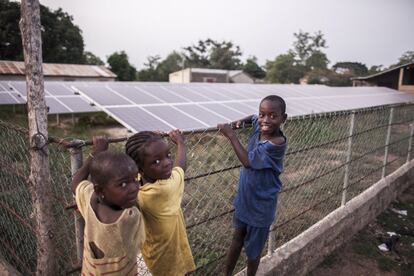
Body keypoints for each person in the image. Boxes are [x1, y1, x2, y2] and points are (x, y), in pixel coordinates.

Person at [217, 95, 288, 276]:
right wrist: (239, 123)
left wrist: (231, 134)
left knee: (253, 252)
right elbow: (253, 118)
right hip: (245, 200)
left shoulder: (276, 144)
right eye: (262, 114)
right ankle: (227, 274)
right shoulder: (260, 125)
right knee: (237, 236)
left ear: (283, 118)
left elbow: (248, 161)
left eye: (273, 116)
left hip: (261, 207)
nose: (265, 120)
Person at [125, 130, 196, 276]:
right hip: (172, 256)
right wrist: (181, 143)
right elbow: (180, 167)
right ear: (140, 169)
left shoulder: (135, 191)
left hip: (154, 256)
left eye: (168, 155)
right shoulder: (165, 189)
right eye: (157, 161)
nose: (168, 163)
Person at [71, 137, 145, 275]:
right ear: (100, 190)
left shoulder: (90, 199)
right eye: (123, 184)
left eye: (136, 179)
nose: (134, 188)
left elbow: (76, 183)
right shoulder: (130, 217)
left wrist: (95, 154)